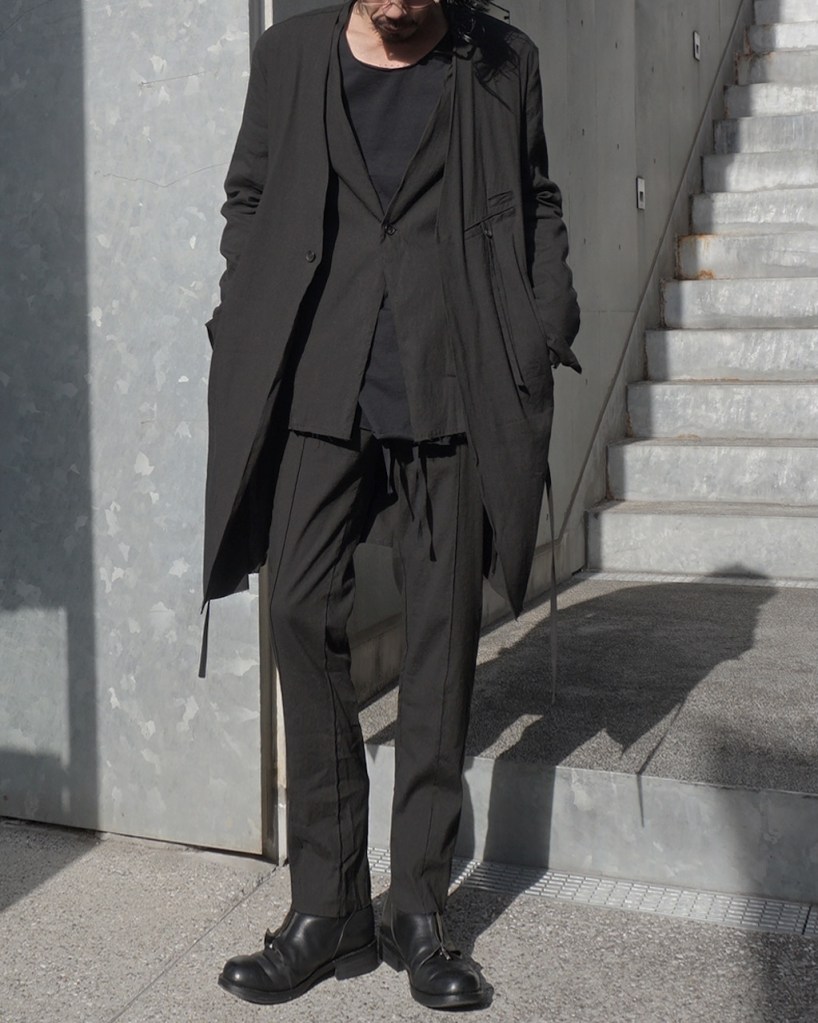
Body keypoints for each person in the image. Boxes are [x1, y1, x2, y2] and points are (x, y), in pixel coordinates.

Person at [203, 0, 580, 1010]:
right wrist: (242, 305)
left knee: (439, 637)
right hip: (320, 377)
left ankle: (418, 909)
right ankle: (327, 910)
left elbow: (535, 197)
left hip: (449, 376)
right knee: (296, 608)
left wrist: (544, 317)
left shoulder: (500, 62)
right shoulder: (290, 55)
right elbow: (248, 195)